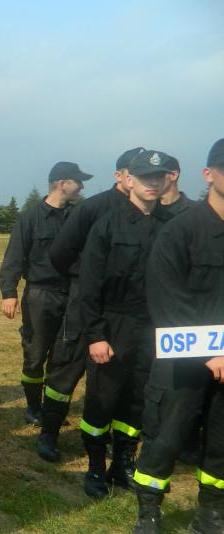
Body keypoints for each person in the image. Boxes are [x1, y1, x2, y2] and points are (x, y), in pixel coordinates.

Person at [130, 139, 224, 534]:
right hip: (183, 360)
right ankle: (148, 515)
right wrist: (212, 352)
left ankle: (211, 515)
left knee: (221, 444)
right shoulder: (180, 231)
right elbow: (167, 300)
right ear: (208, 174)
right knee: (165, 439)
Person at [37, 147, 144, 461]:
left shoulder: (149, 213)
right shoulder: (94, 207)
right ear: (121, 175)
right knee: (66, 367)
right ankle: (49, 431)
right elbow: (60, 252)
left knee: (114, 376)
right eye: (134, 173)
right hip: (83, 302)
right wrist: (81, 279)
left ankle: (104, 435)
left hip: (122, 311)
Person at [78, 151, 172, 498]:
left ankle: (122, 464)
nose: (152, 183)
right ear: (128, 180)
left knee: (138, 399)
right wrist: (95, 335)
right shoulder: (107, 225)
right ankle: (94, 467)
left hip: (152, 328)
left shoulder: (171, 227)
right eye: (145, 176)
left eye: (158, 176)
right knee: (102, 399)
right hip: (113, 324)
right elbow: (89, 286)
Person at [0, 162, 92, 425]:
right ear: (61, 183)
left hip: (72, 295)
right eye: (77, 181)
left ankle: (52, 410)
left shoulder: (78, 218)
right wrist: (9, 292)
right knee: (35, 354)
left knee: (63, 355)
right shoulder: (30, 218)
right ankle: (33, 407)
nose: (81, 186)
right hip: (40, 295)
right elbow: (14, 257)